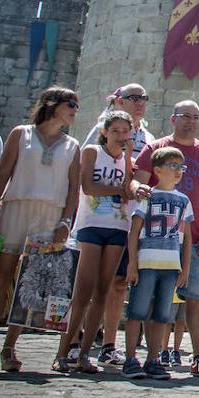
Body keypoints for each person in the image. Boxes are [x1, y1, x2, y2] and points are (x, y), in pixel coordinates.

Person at [0, 86, 81, 373]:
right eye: (70, 103)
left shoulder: (72, 146)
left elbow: (74, 188)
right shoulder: (20, 133)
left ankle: (9, 347)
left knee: (31, 285)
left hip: (49, 215)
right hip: (15, 208)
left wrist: (65, 222)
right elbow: (2, 174)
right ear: (52, 104)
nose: (75, 109)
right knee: (1, 278)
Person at [134, 100, 199, 378]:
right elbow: (138, 180)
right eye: (185, 116)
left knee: (196, 298)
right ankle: (153, 356)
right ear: (173, 118)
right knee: (153, 299)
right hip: (156, 239)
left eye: (196, 117)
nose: (191, 121)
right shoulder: (155, 148)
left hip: (195, 238)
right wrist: (138, 188)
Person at [54, 111, 142, 373]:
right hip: (91, 225)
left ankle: (84, 354)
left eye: (126, 132)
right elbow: (89, 187)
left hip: (117, 227)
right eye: (116, 130)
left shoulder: (128, 160)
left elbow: (128, 192)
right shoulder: (92, 151)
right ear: (105, 131)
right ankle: (62, 352)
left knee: (102, 292)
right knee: (82, 291)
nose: (121, 136)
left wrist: (126, 160)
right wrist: (116, 189)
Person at [81, 83, 154, 365]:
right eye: (134, 98)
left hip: (127, 217)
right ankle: (80, 337)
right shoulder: (101, 131)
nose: (139, 103)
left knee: (119, 283)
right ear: (120, 101)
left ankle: (109, 343)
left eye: (143, 98)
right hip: (95, 216)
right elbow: (86, 167)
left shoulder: (147, 137)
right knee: (91, 282)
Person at [123, 147, 194, 380]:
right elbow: (134, 231)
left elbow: (187, 237)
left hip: (170, 266)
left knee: (163, 315)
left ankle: (153, 359)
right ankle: (131, 358)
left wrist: (185, 267)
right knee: (138, 310)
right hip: (146, 262)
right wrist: (132, 264)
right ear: (157, 170)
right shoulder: (148, 196)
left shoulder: (184, 200)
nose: (177, 171)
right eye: (172, 166)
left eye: (180, 167)